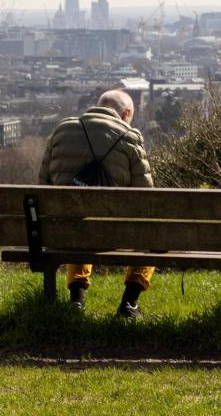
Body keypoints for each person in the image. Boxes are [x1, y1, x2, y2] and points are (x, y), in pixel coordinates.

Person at [37, 89, 155, 318]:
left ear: (98, 105)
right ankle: (129, 303)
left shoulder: (62, 131)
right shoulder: (130, 137)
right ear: (127, 112)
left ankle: (76, 300)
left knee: (77, 220)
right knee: (154, 234)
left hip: (62, 233)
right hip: (115, 233)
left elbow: (43, 184)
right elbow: (145, 198)